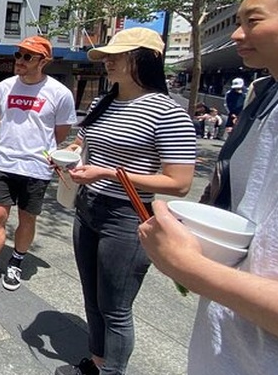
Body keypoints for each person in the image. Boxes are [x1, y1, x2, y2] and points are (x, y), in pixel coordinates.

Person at [139, 0, 278, 374]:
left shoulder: (170, 111)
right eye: (236, 21)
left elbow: (179, 179)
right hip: (226, 345)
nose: (236, 34)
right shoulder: (264, 95)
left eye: (253, 21)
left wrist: (191, 268)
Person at [55, 27, 196, 375]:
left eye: (118, 55)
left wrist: (106, 173)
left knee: (115, 308)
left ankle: (112, 370)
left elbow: (179, 183)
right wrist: (67, 154)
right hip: (88, 208)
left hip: (127, 217)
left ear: (146, 60)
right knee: (93, 297)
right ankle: (98, 362)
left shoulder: (168, 111)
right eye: (107, 56)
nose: (108, 62)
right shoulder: (105, 101)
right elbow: (83, 142)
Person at [0, 36, 76, 294]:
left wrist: (38, 149)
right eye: (18, 55)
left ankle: (16, 262)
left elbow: (60, 132)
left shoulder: (60, 94)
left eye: (28, 57)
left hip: (37, 167)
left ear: (43, 61)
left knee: (27, 218)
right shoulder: (3, 88)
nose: (20, 61)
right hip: (4, 163)